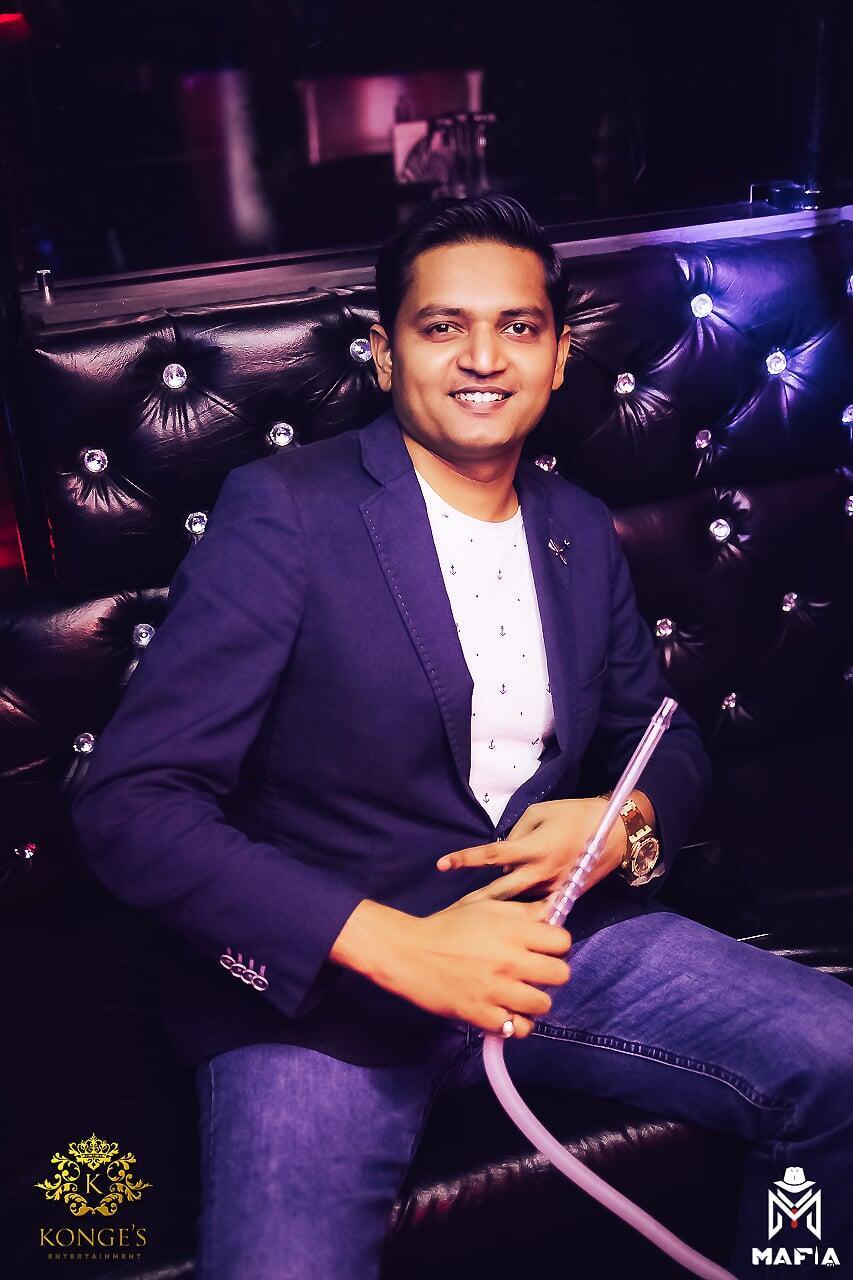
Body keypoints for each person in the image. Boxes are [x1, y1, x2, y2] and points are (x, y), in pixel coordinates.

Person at [70, 195, 853, 1280]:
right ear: (386, 353)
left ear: (558, 356)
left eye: (517, 326)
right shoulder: (283, 510)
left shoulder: (576, 525)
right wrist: (389, 942)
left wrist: (625, 817)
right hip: (326, 996)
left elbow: (660, 734)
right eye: (443, 326)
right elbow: (129, 801)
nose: (483, 357)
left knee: (838, 1056)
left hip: (552, 942)